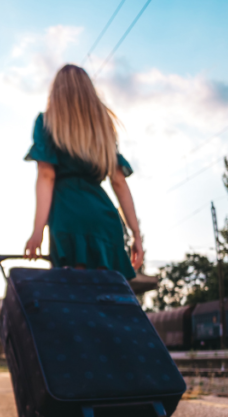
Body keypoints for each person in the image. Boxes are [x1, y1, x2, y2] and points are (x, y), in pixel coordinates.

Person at [24, 64, 143, 278]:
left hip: (67, 216)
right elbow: (119, 182)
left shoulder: (46, 122)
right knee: (106, 298)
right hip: (104, 219)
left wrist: (37, 230)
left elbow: (46, 175)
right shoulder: (103, 128)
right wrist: (136, 233)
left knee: (75, 297)